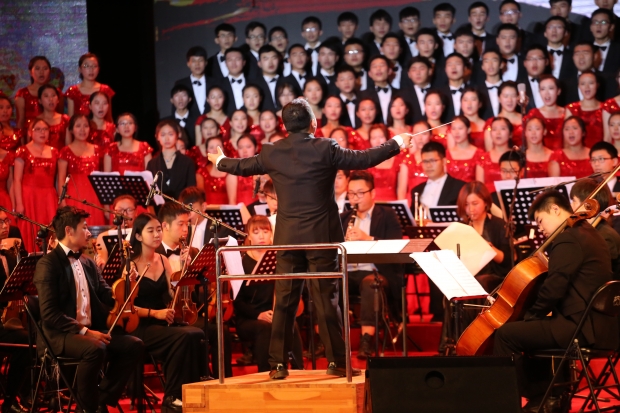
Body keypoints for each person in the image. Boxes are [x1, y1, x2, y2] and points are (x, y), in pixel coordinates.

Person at [208, 98, 410, 379]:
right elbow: (364, 158)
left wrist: (219, 160)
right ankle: (337, 363)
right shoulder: (326, 148)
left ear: (284, 126)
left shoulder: (273, 151)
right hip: (321, 239)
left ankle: (277, 365)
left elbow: (242, 166)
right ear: (313, 123)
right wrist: (397, 143)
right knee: (326, 300)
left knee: (284, 301)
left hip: (288, 240)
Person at [493, 190, 619, 412]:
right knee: (534, 330)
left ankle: (510, 403)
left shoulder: (567, 238)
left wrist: (532, 314)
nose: (540, 228)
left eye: (540, 221)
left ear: (555, 209)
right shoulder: (590, 233)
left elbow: (554, 288)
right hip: (604, 328)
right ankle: (547, 400)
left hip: (581, 329)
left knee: (506, 334)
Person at [33, 206, 144, 413]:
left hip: (91, 332)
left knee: (134, 345)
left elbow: (107, 295)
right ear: (69, 231)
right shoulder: (48, 264)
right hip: (60, 335)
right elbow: (49, 314)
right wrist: (86, 332)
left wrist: (126, 284)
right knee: (95, 348)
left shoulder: (87, 262)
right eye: (84, 228)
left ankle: (100, 400)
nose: (88, 233)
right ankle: (86, 408)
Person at [124, 212, 205, 411]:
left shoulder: (162, 259)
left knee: (197, 333)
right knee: (183, 337)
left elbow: (173, 293)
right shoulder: (130, 266)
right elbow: (127, 308)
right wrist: (155, 313)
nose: (157, 234)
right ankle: (172, 396)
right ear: (138, 236)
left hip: (162, 323)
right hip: (141, 325)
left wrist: (186, 270)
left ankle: (191, 393)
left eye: (159, 229)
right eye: (150, 230)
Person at [339, 171, 404, 359]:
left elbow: (396, 246)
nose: (355, 198)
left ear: (372, 193)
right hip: (347, 271)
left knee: (370, 284)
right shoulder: (343, 218)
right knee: (325, 283)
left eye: (360, 193)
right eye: (351, 194)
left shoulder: (387, 215)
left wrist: (368, 239)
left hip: (375, 271)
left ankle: (366, 340)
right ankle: (326, 340)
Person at [235, 215, 303, 371]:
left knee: (290, 322)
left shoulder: (279, 258)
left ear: (271, 234)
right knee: (265, 327)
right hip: (250, 318)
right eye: (256, 232)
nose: (261, 236)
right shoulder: (241, 262)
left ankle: (299, 369)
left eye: (265, 231)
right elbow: (238, 302)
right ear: (249, 236)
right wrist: (258, 314)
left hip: (275, 312)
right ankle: (266, 371)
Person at [13, 119, 58, 252]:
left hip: (49, 197)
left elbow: (56, 180)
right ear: (29, 132)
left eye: (45, 129)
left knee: (50, 231)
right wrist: (19, 204)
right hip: (29, 197)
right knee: (30, 231)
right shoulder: (22, 151)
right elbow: (16, 179)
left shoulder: (55, 152)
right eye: (38, 129)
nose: (42, 132)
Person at [58, 115, 105, 225]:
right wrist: (62, 201)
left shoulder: (98, 150)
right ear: (71, 130)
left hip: (94, 196)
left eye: (86, 126)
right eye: (78, 126)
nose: (82, 130)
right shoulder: (65, 151)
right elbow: (61, 179)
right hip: (73, 195)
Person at [570, 178, 620, 278]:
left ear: (589, 205)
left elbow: (598, 274)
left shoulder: (605, 236)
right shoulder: (591, 230)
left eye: (574, 201)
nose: (571, 206)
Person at [146, 119, 196, 200]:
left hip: (181, 206)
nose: (167, 138)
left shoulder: (187, 162)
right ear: (157, 137)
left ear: (178, 135)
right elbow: (149, 190)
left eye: (170, 134)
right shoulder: (152, 163)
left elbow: (191, 190)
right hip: (159, 206)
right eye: (163, 135)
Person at [65, 53, 115, 118]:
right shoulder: (73, 91)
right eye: (86, 66)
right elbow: (71, 119)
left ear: (98, 69)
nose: (91, 70)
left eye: (94, 66)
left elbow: (109, 117)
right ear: (80, 69)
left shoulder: (105, 90)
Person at [367, 124, 408, 201]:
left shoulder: (398, 162)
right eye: (374, 138)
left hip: (392, 204)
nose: (378, 141)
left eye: (381, 137)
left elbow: (401, 192)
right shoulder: (366, 162)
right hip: (371, 203)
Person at [14, 56, 54, 131]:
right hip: (30, 134)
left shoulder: (57, 93)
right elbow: (20, 121)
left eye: (45, 68)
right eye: (37, 68)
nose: (41, 72)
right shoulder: (22, 94)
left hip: (52, 132)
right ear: (30, 72)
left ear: (49, 71)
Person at [566, 72, 603, 148]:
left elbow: (608, 137)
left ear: (597, 85)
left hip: (600, 151)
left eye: (591, 83)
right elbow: (567, 137)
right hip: (578, 152)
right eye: (583, 84)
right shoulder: (571, 108)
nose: (587, 87)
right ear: (578, 86)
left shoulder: (605, 108)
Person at [445, 116, 484, 183]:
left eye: (460, 128)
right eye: (453, 129)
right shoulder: (446, 154)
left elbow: (480, 183)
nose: (456, 132)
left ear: (468, 130)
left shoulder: (479, 153)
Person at [36, 84, 70, 149]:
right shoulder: (35, 122)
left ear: (58, 100)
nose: (51, 99)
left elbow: (68, 146)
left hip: (61, 155)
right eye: (46, 96)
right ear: (40, 101)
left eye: (53, 95)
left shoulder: (65, 119)